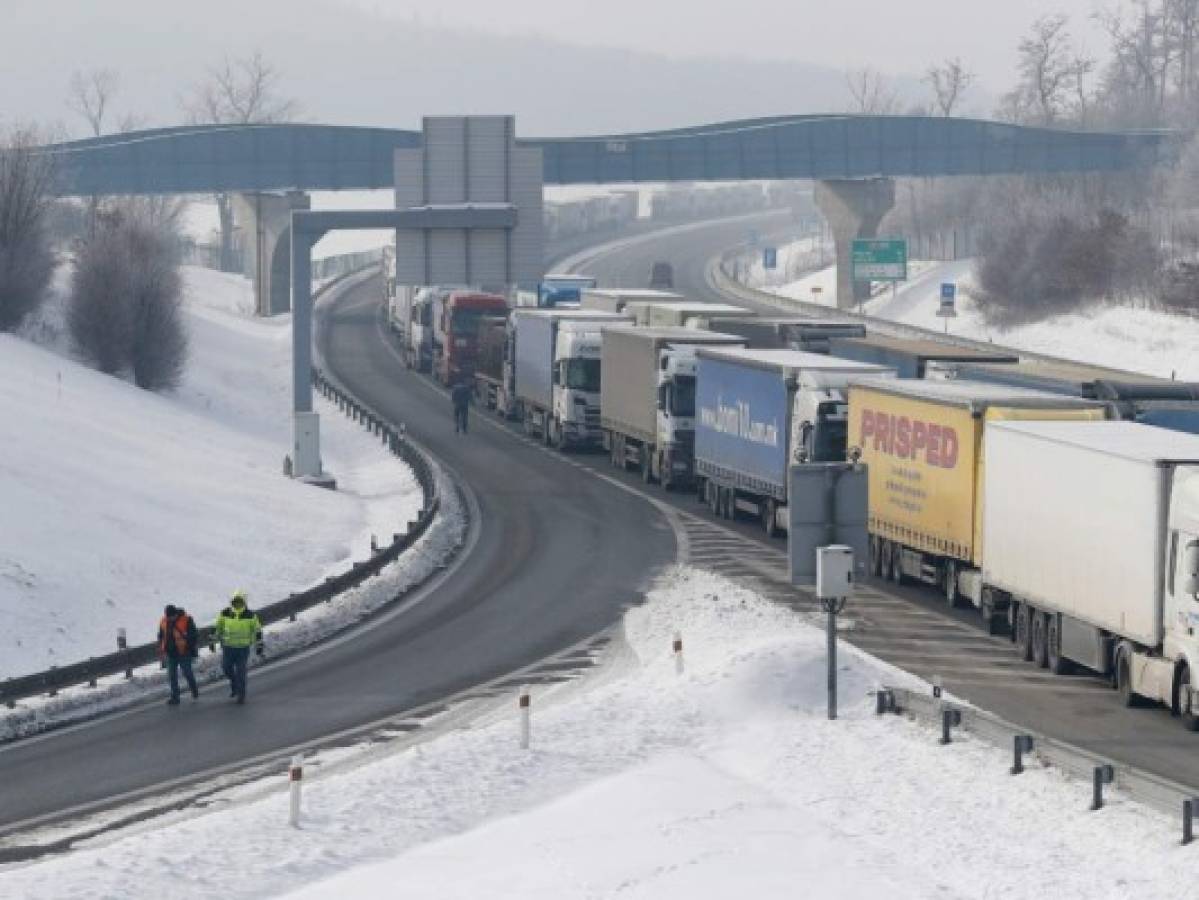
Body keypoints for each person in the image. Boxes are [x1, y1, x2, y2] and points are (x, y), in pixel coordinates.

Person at [213, 590, 264, 704]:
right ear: (232, 602)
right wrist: (213, 641)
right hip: (228, 648)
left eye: (240, 602)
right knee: (226, 669)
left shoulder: (250, 615)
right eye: (235, 602)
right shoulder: (225, 613)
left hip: (243, 649)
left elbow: (257, 630)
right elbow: (218, 627)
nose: (237, 604)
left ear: (244, 602)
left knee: (241, 672)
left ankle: (241, 694)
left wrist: (259, 645)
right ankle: (234, 683)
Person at [157, 604, 199, 705]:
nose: (170, 619)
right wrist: (161, 646)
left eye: (171, 616)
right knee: (172, 676)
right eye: (168, 617)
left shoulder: (186, 620)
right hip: (171, 654)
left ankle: (194, 689)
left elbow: (194, 634)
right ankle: (175, 697)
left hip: (184, 652)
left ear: (176, 614)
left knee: (187, 673)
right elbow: (161, 634)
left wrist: (188, 643)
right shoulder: (163, 621)